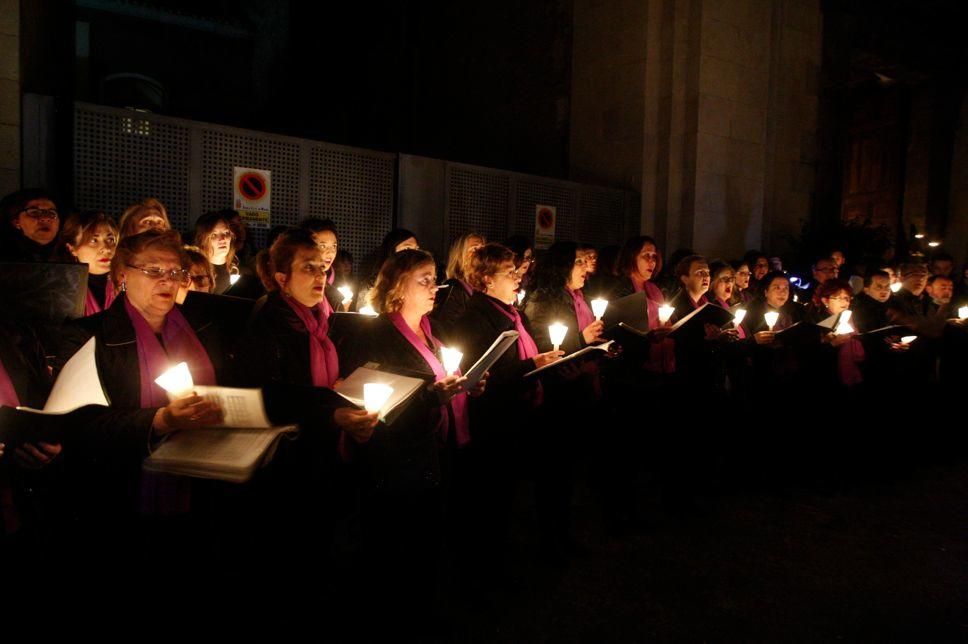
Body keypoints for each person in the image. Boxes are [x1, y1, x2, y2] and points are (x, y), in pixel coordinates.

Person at [54, 229, 225, 589]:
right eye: (153, 271)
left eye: (176, 272)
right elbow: (79, 425)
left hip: (200, 487)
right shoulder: (89, 336)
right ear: (122, 275)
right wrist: (159, 420)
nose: (167, 280)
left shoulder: (202, 329)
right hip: (121, 499)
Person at [341, 248, 480, 633]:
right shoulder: (379, 335)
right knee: (395, 546)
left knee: (426, 543)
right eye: (424, 279)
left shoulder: (431, 333)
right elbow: (379, 399)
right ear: (397, 286)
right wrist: (433, 396)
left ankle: (421, 610)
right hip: (396, 461)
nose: (434, 287)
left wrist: (465, 386)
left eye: (435, 278)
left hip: (431, 453)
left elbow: (437, 383)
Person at [451, 243, 561, 587]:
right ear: (485, 279)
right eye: (509, 273)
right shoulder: (475, 317)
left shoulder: (512, 312)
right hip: (492, 423)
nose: (518, 277)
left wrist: (539, 361)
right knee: (488, 502)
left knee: (504, 500)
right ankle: (482, 575)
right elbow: (482, 374)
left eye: (518, 271)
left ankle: (495, 565)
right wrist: (532, 364)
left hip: (516, 416)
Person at [522, 241, 603, 558]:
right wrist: (582, 340)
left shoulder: (579, 298)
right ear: (562, 266)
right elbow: (544, 345)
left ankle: (562, 532)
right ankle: (550, 539)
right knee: (553, 471)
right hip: (556, 396)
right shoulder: (544, 299)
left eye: (585, 262)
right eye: (578, 262)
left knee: (567, 472)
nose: (585, 268)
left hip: (577, 389)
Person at [59, 210, 119, 315]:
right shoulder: (60, 289)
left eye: (110, 240)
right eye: (93, 241)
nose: (106, 249)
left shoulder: (126, 283)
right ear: (71, 249)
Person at [433, 232, 485, 338]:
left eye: (483, 249)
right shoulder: (454, 289)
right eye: (474, 249)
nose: (481, 254)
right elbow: (446, 331)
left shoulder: (483, 286)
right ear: (460, 255)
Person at [0, 188, 61, 262]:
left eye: (51, 213)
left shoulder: (71, 256)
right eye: (34, 212)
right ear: (15, 221)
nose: (46, 218)